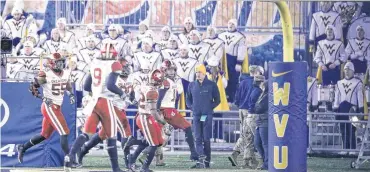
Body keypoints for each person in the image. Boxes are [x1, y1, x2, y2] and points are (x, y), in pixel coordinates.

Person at [64, 42, 126, 172]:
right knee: (112, 136)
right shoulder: (115, 64)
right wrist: (122, 94)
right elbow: (110, 85)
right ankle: (115, 168)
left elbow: (86, 86)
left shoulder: (95, 63)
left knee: (86, 134)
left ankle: (70, 157)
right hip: (106, 101)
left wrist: (96, 92)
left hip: (94, 101)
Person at [17, 52, 75, 163]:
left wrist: (71, 93)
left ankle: (23, 147)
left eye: (62, 62)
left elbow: (67, 84)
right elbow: (32, 88)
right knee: (64, 132)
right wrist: (43, 98)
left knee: (45, 135)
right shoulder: (46, 74)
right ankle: (69, 159)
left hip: (57, 106)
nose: (62, 64)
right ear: (52, 63)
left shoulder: (65, 73)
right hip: (50, 106)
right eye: (59, 62)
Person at [127, 69, 166, 172]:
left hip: (145, 116)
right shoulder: (152, 91)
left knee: (156, 142)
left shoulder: (144, 85)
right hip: (146, 117)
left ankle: (133, 157)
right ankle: (144, 167)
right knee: (153, 144)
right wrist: (162, 121)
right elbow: (153, 110)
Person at [186, 64, 220, 168]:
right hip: (196, 115)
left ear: (204, 73)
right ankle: (200, 159)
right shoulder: (191, 85)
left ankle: (207, 161)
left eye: (200, 72)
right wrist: (192, 107)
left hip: (206, 115)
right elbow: (188, 99)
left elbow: (218, 100)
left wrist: (209, 108)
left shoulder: (212, 84)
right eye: (196, 72)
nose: (198, 74)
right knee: (197, 138)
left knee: (206, 138)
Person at [229, 65, 263, 168]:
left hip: (241, 110)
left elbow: (236, 99)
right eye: (260, 74)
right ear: (257, 72)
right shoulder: (257, 84)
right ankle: (245, 159)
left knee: (245, 134)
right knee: (248, 135)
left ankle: (245, 158)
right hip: (250, 111)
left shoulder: (242, 82)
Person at [333, 61, 363, 154]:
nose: (347, 71)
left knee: (352, 129)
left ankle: (352, 149)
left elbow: (360, 98)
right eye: (345, 69)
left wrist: (361, 110)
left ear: (353, 71)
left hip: (352, 109)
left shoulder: (358, 83)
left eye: (349, 69)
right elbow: (336, 97)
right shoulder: (339, 83)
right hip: (342, 108)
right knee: (343, 129)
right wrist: (336, 108)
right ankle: (345, 149)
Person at [252, 78, 268, 170]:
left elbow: (259, 107)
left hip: (265, 121)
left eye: (263, 85)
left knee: (265, 144)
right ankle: (265, 160)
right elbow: (256, 107)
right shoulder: (262, 94)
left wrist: (256, 107)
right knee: (257, 143)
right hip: (259, 121)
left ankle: (267, 163)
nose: (261, 86)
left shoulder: (268, 95)